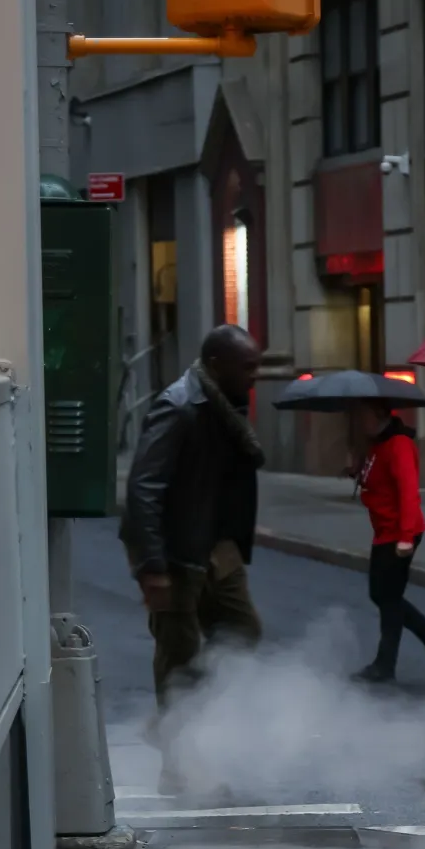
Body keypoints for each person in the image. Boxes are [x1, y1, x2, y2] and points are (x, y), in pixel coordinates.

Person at [120, 325, 266, 791]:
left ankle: (172, 728)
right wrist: (152, 566)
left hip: (216, 547)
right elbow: (143, 488)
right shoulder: (179, 407)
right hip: (177, 552)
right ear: (218, 365)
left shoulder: (224, 408)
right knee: (178, 657)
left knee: (243, 633)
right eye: (248, 367)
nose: (255, 377)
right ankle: (178, 769)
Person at [350, 400, 425, 683]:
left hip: (400, 531)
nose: (361, 421)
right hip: (384, 530)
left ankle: (386, 664)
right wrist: (356, 470)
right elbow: (375, 481)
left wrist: (406, 538)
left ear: (381, 414)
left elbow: (409, 493)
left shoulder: (399, 445)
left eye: (365, 414)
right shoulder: (375, 444)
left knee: (388, 597)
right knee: (382, 594)